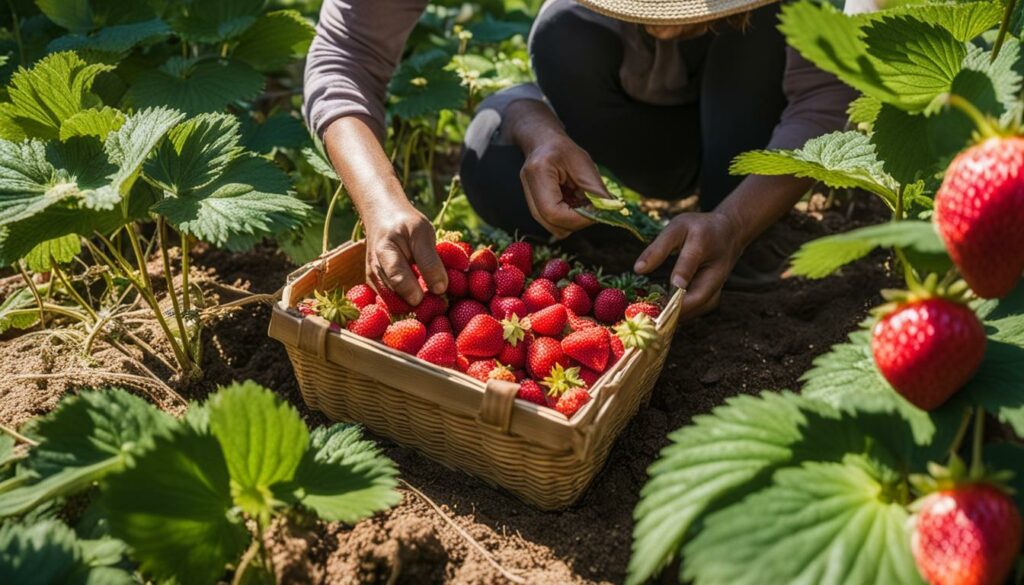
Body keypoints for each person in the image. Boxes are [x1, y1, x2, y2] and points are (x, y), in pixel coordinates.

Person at [303, 0, 859, 320]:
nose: (665, 20)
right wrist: (381, 204)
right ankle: (641, 251)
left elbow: (825, 102)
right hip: (624, 122)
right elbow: (344, 54)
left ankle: (726, 243)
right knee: (511, 121)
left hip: (749, 115)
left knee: (767, 31)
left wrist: (735, 224)